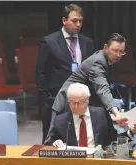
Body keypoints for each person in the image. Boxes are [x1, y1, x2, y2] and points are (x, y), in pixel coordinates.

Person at [35, 4, 95, 144]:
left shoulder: (88, 43)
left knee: (78, 140)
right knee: (51, 142)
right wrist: (46, 101)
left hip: (80, 102)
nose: (78, 24)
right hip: (55, 101)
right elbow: (41, 73)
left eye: (80, 21)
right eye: (74, 20)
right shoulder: (49, 42)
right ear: (64, 20)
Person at [51, 33, 129, 125]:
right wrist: (116, 113)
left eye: (121, 52)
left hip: (81, 103)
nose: (118, 55)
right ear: (106, 47)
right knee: (56, 138)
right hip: (68, 104)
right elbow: (102, 89)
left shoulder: (106, 59)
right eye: (115, 50)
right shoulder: (98, 62)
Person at [44, 83, 136, 147]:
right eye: (72, 102)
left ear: (87, 100)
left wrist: (131, 132)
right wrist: (55, 142)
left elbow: (113, 141)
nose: (76, 106)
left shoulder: (101, 115)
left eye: (80, 102)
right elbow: (49, 142)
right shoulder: (60, 120)